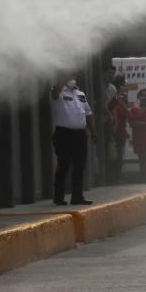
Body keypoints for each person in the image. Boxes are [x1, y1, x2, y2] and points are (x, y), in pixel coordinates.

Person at [50, 73, 95, 205]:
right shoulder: (58, 91)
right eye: (69, 76)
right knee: (63, 165)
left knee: (79, 166)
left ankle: (77, 197)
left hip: (80, 134)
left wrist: (93, 131)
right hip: (63, 134)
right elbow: (54, 95)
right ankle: (58, 197)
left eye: (73, 75)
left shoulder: (80, 93)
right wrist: (63, 79)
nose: (72, 78)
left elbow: (88, 113)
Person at [107, 78, 130, 182]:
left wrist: (122, 103)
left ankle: (117, 177)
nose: (125, 88)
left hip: (121, 132)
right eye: (122, 86)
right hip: (112, 130)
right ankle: (111, 177)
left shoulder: (123, 101)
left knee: (119, 155)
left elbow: (128, 115)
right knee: (112, 156)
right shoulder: (112, 100)